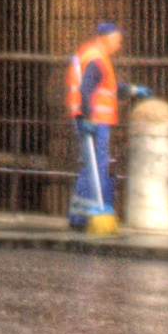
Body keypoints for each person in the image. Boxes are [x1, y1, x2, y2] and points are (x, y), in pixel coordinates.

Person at [65, 18, 123, 235]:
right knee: (96, 168)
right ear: (104, 39)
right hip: (95, 121)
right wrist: (88, 118)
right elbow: (87, 89)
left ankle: (79, 217)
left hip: (92, 120)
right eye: (116, 40)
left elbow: (106, 88)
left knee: (90, 167)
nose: (119, 45)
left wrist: (132, 90)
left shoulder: (94, 56)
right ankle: (84, 217)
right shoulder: (96, 59)